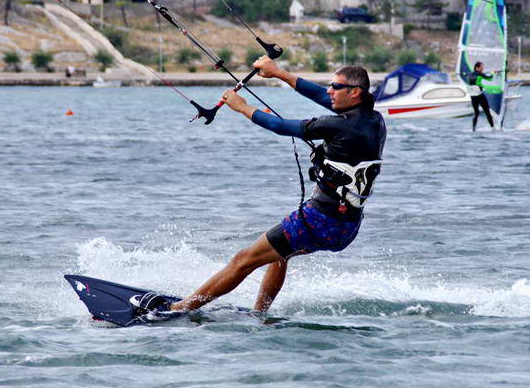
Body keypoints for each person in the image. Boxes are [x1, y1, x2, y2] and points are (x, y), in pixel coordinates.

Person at [130, 57, 387, 321]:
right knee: (280, 254)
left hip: (318, 219)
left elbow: (280, 126)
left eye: (335, 86)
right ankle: (259, 313)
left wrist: (241, 107)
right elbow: (320, 95)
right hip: (346, 227)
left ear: (354, 92)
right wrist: (278, 73)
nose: (329, 91)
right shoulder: (373, 120)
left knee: (244, 260)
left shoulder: (338, 125)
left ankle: (176, 311)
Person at [467, 61, 495, 131]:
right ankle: (493, 128)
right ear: (477, 67)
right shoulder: (480, 74)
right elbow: (490, 78)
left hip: (473, 96)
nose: (482, 69)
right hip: (479, 95)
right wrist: (493, 73)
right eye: (481, 67)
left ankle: (473, 129)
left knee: (476, 113)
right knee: (487, 112)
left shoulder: (469, 74)